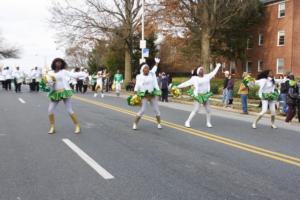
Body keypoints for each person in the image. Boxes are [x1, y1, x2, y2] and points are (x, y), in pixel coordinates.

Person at [42, 58, 84, 134]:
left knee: (69, 110)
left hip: (65, 92)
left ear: (62, 64)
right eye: (57, 62)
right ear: (54, 63)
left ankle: (77, 126)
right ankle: (52, 127)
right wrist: (47, 84)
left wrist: (83, 74)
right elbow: (47, 83)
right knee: (50, 110)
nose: (58, 64)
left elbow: (73, 75)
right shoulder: (50, 73)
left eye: (60, 62)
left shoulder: (64, 71)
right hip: (55, 93)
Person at [177, 63, 222, 128]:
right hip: (198, 95)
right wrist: (178, 86)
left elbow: (214, 72)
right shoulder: (195, 78)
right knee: (196, 110)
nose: (202, 70)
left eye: (203, 69)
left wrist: (217, 66)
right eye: (201, 69)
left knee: (208, 110)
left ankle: (208, 122)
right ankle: (187, 121)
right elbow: (186, 83)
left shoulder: (207, 76)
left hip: (205, 95)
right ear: (198, 72)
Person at [132, 62, 162, 130]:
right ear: (143, 69)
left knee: (157, 110)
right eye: (146, 68)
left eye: (148, 68)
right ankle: (135, 123)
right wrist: (135, 94)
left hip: (152, 95)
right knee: (143, 110)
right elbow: (137, 86)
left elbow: (154, 69)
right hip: (144, 96)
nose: (147, 69)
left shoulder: (151, 74)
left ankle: (159, 123)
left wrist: (157, 63)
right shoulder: (139, 77)